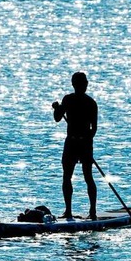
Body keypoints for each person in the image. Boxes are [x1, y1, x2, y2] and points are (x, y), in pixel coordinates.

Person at [52, 72, 98, 220]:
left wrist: (85, 140)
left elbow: (94, 129)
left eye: (85, 83)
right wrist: (57, 109)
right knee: (67, 176)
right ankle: (68, 211)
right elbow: (58, 118)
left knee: (88, 177)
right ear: (75, 85)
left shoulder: (91, 103)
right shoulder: (68, 99)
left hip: (85, 144)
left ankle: (92, 212)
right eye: (81, 83)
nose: (84, 86)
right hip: (71, 142)